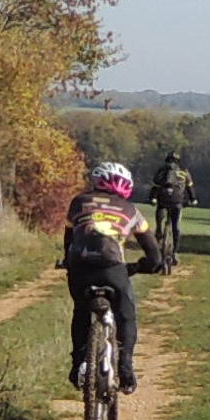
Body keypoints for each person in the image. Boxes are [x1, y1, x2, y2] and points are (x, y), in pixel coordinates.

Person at [64, 162, 163, 394]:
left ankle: (78, 365)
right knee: (126, 315)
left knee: (81, 311)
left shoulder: (78, 202)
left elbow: (68, 243)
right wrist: (142, 267)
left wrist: (67, 263)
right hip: (113, 268)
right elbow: (154, 255)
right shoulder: (131, 210)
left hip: (80, 268)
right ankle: (125, 369)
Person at [147, 151, 195, 269]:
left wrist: (152, 198)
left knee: (160, 215)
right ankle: (175, 252)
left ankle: (159, 232)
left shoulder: (162, 170)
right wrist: (193, 200)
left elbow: (155, 186)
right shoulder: (184, 171)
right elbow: (190, 188)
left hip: (163, 200)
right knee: (176, 227)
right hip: (177, 201)